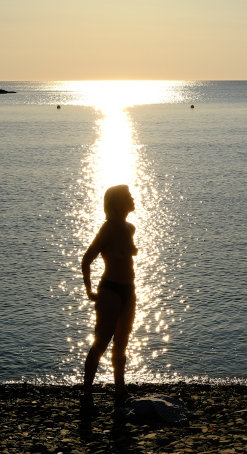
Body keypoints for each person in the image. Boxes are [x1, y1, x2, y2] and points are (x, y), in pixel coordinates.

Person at [80, 184, 138, 435]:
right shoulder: (108, 229)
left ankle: (120, 392)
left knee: (122, 345)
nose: (132, 198)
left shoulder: (129, 228)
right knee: (101, 343)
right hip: (111, 290)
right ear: (117, 202)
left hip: (129, 291)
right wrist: (90, 292)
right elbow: (87, 259)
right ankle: (87, 395)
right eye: (127, 196)